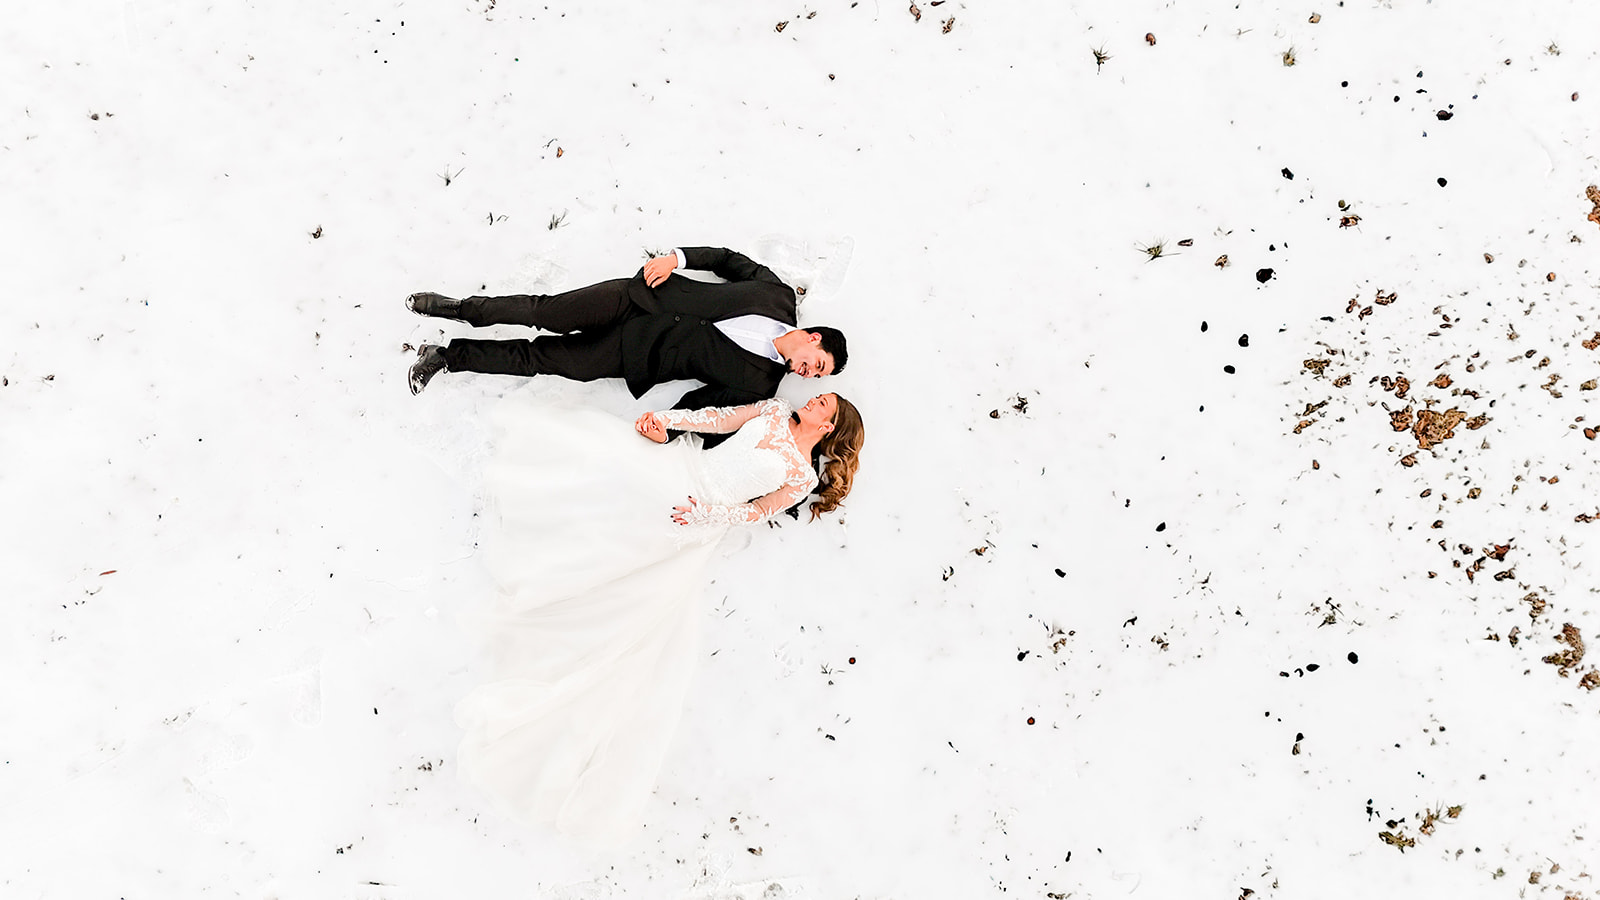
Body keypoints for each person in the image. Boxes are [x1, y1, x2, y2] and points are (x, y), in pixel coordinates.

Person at [453, 389, 865, 844]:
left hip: (699, 518)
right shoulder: (772, 411)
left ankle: (553, 609)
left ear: (828, 427)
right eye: (819, 396)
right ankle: (540, 538)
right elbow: (718, 420)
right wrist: (668, 422)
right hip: (683, 471)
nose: (813, 400)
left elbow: (756, 511)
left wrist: (707, 514)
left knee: (629, 592)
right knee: (601, 488)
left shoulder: (801, 476)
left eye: (823, 403)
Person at [405, 247, 849, 419]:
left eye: (816, 376)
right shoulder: (776, 295)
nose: (808, 373)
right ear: (813, 337)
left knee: (539, 360)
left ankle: (446, 357)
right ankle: (459, 308)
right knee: (545, 312)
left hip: (632, 355)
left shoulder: (760, 384)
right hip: (639, 297)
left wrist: (666, 428)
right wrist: (676, 259)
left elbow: (701, 407)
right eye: (817, 365)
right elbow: (728, 261)